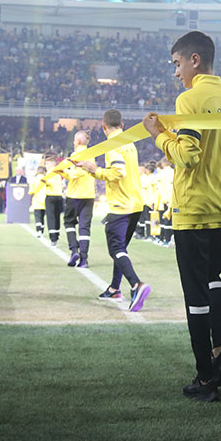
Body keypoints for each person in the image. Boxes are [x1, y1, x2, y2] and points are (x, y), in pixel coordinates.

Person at [143, 30, 221, 402]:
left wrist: (159, 134)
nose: (176, 72)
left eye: (177, 63)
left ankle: (205, 377)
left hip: (194, 206)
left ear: (194, 60)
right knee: (214, 280)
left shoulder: (190, 98)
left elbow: (187, 154)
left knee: (195, 293)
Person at [77, 108, 151, 312]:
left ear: (103, 127)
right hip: (136, 203)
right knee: (121, 250)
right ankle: (114, 288)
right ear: (123, 125)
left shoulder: (112, 145)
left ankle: (136, 285)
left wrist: (95, 171)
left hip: (121, 205)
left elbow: (118, 172)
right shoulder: (130, 142)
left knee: (116, 249)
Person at [56, 131, 97, 267]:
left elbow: (75, 174)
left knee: (69, 222)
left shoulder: (77, 155)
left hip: (74, 195)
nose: (73, 143)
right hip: (89, 195)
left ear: (78, 141)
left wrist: (62, 171)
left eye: (74, 140)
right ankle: (84, 259)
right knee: (84, 227)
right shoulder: (92, 154)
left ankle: (74, 250)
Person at [29, 166, 48, 238]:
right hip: (45, 199)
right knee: (42, 216)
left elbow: (31, 191)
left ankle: (39, 230)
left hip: (37, 200)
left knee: (38, 216)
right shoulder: (46, 179)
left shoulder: (34, 179)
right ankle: (42, 230)